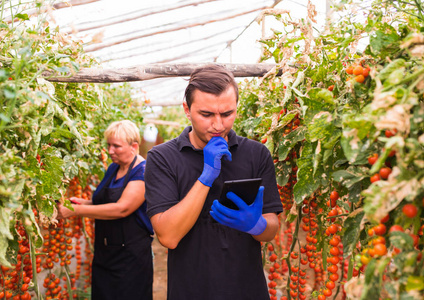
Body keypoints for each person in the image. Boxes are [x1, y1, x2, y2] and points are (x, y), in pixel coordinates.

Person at [145, 64, 283, 300]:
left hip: (247, 289)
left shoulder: (257, 154)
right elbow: (168, 237)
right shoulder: (162, 158)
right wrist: (206, 176)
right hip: (191, 291)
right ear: (187, 110)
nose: (218, 125)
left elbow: (271, 228)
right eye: (207, 115)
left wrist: (256, 225)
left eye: (227, 114)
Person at [57, 120, 154, 300]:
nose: (110, 151)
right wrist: (81, 203)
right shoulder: (113, 168)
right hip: (105, 253)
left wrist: (76, 212)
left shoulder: (143, 172)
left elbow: (122, 209)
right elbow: (104, 201)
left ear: (133, 146)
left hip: (130, 258)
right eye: (108, 145)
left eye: (116, 146)